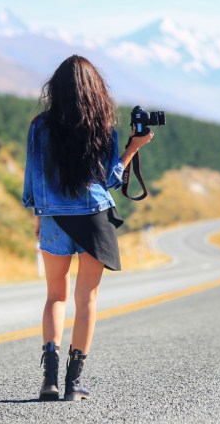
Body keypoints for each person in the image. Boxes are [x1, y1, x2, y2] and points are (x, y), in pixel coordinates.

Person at [22, 55, 154, 401]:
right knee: (87, 300)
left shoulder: (39, 126)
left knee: (55, 296)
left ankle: (48, 380)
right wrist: (133, 149)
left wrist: (41, 213)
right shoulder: (102, 126)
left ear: (57, 89)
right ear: (95, 88)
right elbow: (109, 179)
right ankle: (72, 383)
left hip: (53, 216)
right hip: (94, 218)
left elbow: (34, 177)